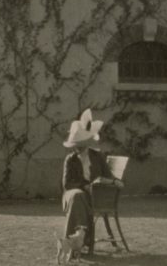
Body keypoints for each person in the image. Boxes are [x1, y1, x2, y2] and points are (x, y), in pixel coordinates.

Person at [62, 109, 123, 255]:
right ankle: (76, 240)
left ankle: (78, 240)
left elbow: (108, 175)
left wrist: (115, 182)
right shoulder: (70, 159)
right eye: (75, 144)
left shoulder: (97, 156)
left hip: (95, 196)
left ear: (87, 141)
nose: (77, 147)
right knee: (78, 196)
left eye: (80, 143)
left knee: (81, 197)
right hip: (73, 194)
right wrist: (84, 186)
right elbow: (66, 184)